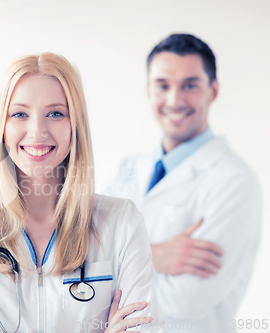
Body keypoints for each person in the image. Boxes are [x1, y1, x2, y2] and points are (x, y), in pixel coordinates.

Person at [0, 53, 166, 333]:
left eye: (55, 113)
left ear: (75, 125)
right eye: (19, 114)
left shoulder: (122, 222)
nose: (37, 131)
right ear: (1, 127)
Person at [104, 34, 262, 332]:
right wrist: (154, 254)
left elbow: (186, 301)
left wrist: (114, 264)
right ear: (148, 90)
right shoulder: (128, 168)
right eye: (163, 85)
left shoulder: (236, 182)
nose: (175, 100)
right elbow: (80, 260)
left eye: (190, 85)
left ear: (212, 91)